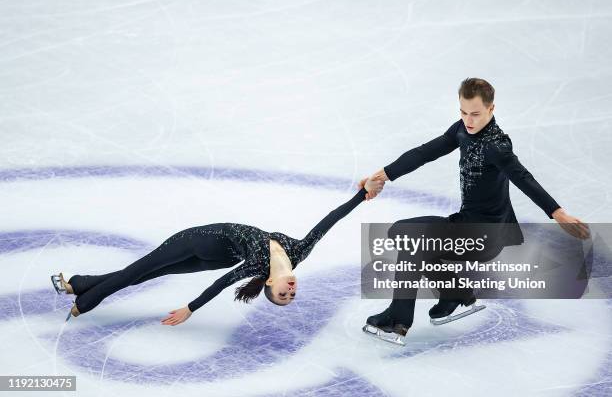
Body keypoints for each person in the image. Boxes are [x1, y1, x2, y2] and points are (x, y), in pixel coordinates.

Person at [359, 77, 590, 342]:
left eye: (476, 114)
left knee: (413, 239)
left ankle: (398, 319)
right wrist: (380, 176)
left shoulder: (497, 145)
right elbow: (424, 152)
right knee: (401, 231)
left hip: (485, 235)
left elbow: (523, 177)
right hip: (465, 223)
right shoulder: (462, 130)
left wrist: (557, 213)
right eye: (463, 112)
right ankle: (454, 293)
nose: (469, 120)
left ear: (491, 109)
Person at [51, 178, 384, 325]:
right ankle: (79, 288)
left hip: (199, 243)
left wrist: (190, 309)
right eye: (292, 296)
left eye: (283, 296)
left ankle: (82, 296)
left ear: (270, 286)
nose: (291, 292)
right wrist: (361, 195)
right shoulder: (299, 252)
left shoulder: (257, 265)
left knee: (142, 271)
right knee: (141, 273)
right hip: (206, 246)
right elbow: (330, 221)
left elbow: (220, 285)